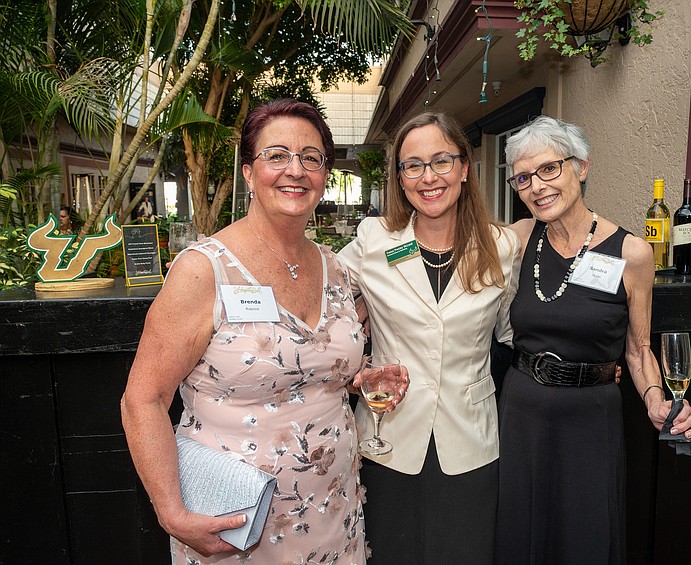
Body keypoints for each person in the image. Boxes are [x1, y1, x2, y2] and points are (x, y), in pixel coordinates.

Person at [121, 99, 404, 564]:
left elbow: (316, 369)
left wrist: (362, 378)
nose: (295, 170)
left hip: (333, 510)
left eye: (311, 158)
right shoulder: (204, 271)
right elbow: (142, 400)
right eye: (277, 155)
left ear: (324, 176)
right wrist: (171, 513)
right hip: (235, 526)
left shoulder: (336, 269)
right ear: (249, 173)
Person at [495, 115, 691, 564]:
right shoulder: (518, 238)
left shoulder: (632, 253)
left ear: (581, 167)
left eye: (550, 169)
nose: (537, 186)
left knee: (583, 535)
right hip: (522, 413)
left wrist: (655, 399)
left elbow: (638, 347)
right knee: (520, 534)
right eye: (524, 178)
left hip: (589, 418)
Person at [338, 111, 521, 565]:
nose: (428, 177)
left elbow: (517, 329)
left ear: (464, 168)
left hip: (472, 439)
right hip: (387, 437)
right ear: (400, 179)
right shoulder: (373, 239)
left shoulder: (501, 247)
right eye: (412, 165)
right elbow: (317, 299)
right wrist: (350, 345)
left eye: (441, 161)